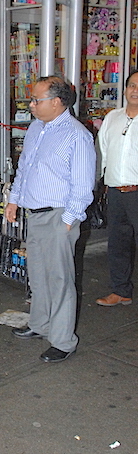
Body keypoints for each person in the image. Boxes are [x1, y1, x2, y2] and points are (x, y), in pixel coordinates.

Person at [5, 76, 96, 363]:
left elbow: (83, 186)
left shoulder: (76, 135)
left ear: (56, 102)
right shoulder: (36, 129)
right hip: (36, 214)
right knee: (39, 275)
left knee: (59, 279)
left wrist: (68, 221)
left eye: (36, 100)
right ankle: (40, 324)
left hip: (58, 217)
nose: (31, 105)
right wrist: (14, 199)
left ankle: (63, 340)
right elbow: (25, 168)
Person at [96, 70, 138, 307]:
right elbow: (102, 151)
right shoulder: (113, 117)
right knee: (118, 243)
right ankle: (121, 290)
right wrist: (100, 183)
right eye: (131, 85)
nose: (135, 91)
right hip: (115, 191)